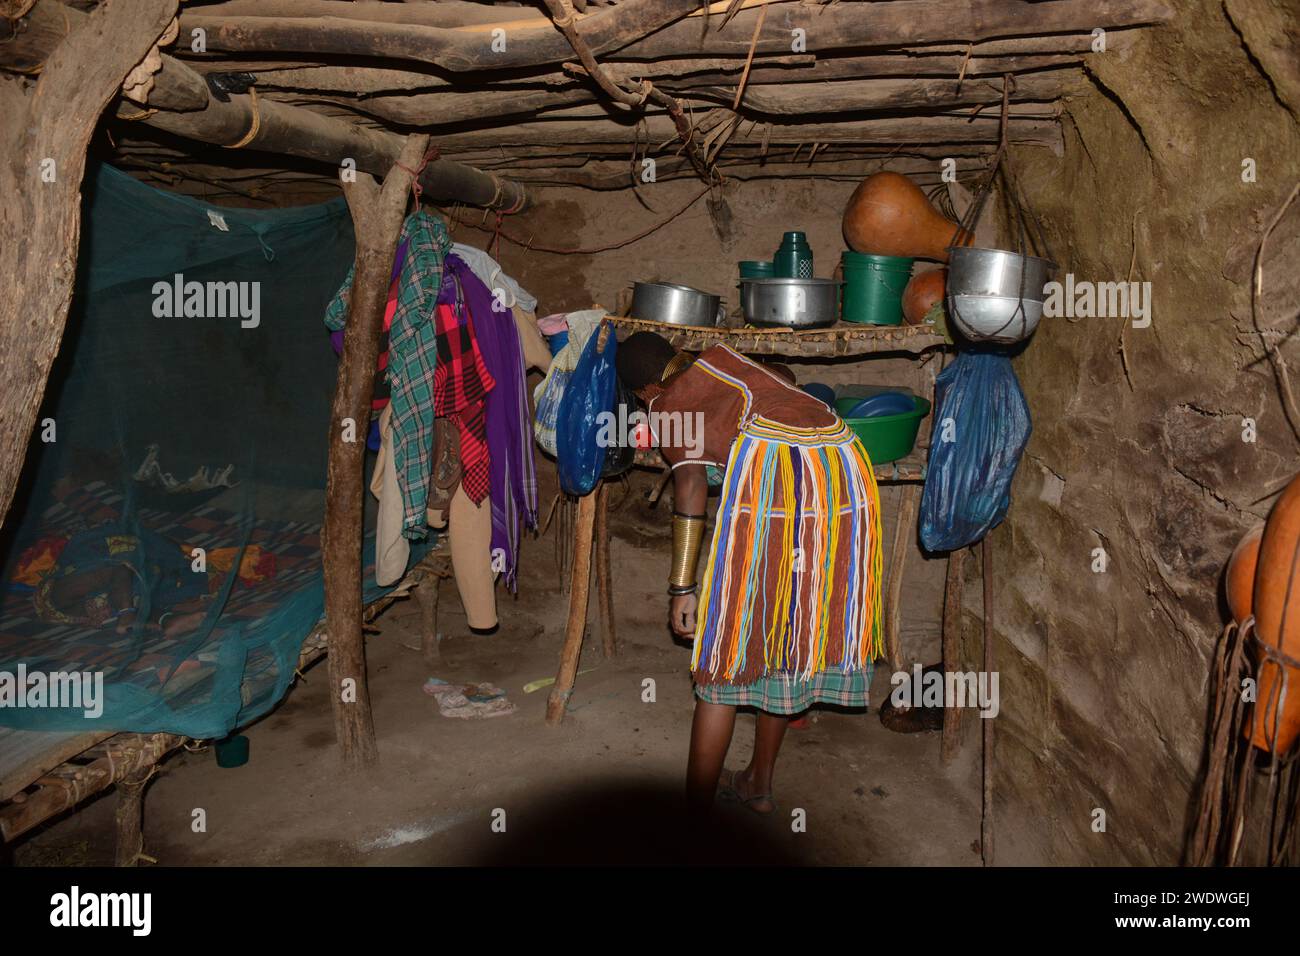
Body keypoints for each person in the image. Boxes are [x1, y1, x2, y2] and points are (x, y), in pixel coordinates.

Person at [616, 331, 884, 815]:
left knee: (727, 645)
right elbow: (783, 384)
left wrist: (682, 587)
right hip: (844, 466)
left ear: (643, 393)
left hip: (781, 473)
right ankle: (757, 784)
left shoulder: (669, 404)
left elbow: (691, 486)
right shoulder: (723, 362)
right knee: (782, 629)